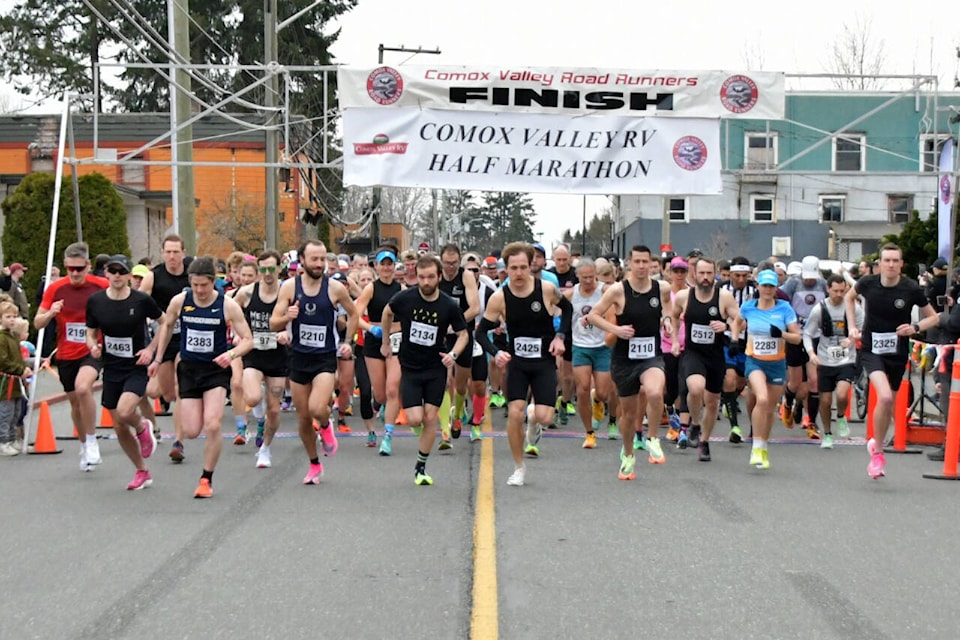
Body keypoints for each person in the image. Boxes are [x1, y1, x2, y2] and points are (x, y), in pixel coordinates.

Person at [151, 256, 254, 498]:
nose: (200, 290)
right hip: (188, 369)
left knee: (213, 423)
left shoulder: (227, 305)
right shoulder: (180, 300)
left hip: (215, 370)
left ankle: (206, 479)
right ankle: (199, 462)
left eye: (204, 285)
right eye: (195, 285)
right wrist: (157, 358)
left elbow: (248, 340)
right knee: (192, 430)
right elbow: (166, 326)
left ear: (213, 282)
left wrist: (231, 354)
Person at [475, 242, 571, 486]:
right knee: (514, 414)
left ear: (531, 266)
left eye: (523, 267)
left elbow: (568, 310)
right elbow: (480, 333)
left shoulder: (547, 289)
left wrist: (560, 338)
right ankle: (519, 467)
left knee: (545, 416)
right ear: (505, 269)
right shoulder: (500, 298)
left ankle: (535, 416)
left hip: (544, 362)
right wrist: (496, 353)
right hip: (516, 362)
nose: (518, 273)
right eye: (513, 268)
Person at [845, 243, 938, 479]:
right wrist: (853, 327)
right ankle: (878, 453)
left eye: (895, 261)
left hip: (897, 351)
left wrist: (915, 327)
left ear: (901, 264)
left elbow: (934, 318)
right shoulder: (867, 284)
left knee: (889, 404)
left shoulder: (910, 288)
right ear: (880, 264)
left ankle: (876, 443)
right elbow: (849, 297)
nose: (891, 265)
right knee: (884, 396)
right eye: (887, 260)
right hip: (871, 348)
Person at [271, 241, 358, 485]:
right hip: (298, 357)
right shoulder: (289, 287)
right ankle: (314, 464)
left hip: (324, 357)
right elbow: (273, 322)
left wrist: (348, 341)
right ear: (302, 260)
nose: (320, 264)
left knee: (317, 407)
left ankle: (325, 424)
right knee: (302, 418)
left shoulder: (334, 288)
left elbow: (353, 313)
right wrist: (286, 317)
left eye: (323, 259)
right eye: (315, 259)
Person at [380, 255, 469, 484]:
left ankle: (421, 467)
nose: (426, 282)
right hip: (410, 367)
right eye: (421, 277)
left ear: (439, 277)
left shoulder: (448, 305)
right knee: (414, 419)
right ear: (416, 277)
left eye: (431, 277)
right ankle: (423, 444)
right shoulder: (405, 298)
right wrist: (386, 341)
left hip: (435, 368)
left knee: (430, 418)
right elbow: (387, 313)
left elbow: (463, 334)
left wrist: (453, 355)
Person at [587, 245, 674, 481]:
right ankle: (627, 455)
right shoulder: (617, 290)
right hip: (624, 359)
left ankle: (653, 438)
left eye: (646, 262)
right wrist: (616, 329)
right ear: (629, 263)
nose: (642, 266)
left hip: (650, 355)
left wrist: (666, 321)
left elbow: (667, 308)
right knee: (628, 413)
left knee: (655, 392)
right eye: (637, 262)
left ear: (651, 264)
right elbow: (593, 315)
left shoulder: (661, 288)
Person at [85, 255, 163, 490]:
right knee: (118, 425)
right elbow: (91, 331)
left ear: (129, 275)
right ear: (106, 274)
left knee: (126, 410)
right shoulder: (96, 301)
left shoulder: (141, 300)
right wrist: (93, 345)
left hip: (136, 366)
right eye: (113, 271)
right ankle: (142, 471)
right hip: (112, 367)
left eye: (122, 272)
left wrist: (151, 350)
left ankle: (142, 427)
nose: (117, 276)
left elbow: (165, 321)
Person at [34, 242, 108, 472]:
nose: (75, 274)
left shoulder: (100, 286)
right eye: (71, 269)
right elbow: (37, 323)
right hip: (66, 353)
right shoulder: (55, 289)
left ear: (88, 265)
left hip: (93, 349)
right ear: (65, 266)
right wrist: (50, 313)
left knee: (84, 388)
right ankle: (85, 445)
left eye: (80, 268)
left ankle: (93, 441)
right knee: (75, 403)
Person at [729, 269, 802, 470]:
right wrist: (735, 339)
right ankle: (755, 446)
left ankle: (763, 446)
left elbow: (797, 337)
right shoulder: (749, 306)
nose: (768, 290)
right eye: (765, 286)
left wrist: (781, 334)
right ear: (758, 287)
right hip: (755, 362)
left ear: (776, 288)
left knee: (769, 408)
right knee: (761, 399)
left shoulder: (785, 308)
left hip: (777, 363)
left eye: (772, 286)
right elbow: (737, 323)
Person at [231, 250, 289, 468]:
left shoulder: (287, 292)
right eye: (263, 269)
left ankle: (265, 449)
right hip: (254, 352)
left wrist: (288, 333)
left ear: (279, 269)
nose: (267, 273)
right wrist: (238, 333)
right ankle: (259, 417)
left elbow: (298, 318)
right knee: (253, 398)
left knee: (274, 409)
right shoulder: (246, 293)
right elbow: (230, 310)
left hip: (277, 356)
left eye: (271, 269)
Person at [140, 234, 190, 462]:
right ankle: (160, 422)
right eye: (168, 252)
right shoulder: (153, 277)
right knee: (167, 393)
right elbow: (138, 304)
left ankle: (178, 442)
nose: (172, 256)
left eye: (176, 252)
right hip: (163, 337)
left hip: (188, 338)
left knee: (181, 388)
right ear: (163, 253)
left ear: (183, 252)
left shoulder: (192, 273)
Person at [803, 274, 863, 448]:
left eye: (842, 290)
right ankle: (827, 433)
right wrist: (811, 353)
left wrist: (852, 339)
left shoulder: (854, 308)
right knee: (826, 400)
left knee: (843, 393)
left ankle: (842, 415)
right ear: (828, 289)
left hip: (847, 358)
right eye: (835, 290)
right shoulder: (819, 309)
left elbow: (864, 328)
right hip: (825, 358)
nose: (838, 294)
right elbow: (807, 334)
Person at [354, 249, 403, 454]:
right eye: (382, 264)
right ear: (376, 267)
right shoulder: (370, 289)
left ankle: (388, 437)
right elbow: (355, 316)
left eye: (389, 264)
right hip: (374, 340)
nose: (386, 268)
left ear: (394, 266)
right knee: (381, 395)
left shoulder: (402, 289)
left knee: (393, 389)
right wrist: (370, 328)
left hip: (397, 340)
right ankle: (384, 407)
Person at [565, 258, 614, 447]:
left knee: (602, 392)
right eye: (584, 277)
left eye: (591, 277)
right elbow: (555, 308)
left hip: (602, 346)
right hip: (580, 346)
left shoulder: (605, 292)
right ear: (577, 276)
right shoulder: (571, 294)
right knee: (583, 388)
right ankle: (589, 433)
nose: (588, 281)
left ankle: (599, 402)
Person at [779, 255, 828, 439]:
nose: (809, 280)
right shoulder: (793, 284)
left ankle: (812, 423)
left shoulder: (822, 284)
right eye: (806, 276)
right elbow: (782, 300)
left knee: (814, 382)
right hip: (795, 337)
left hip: (815, 337)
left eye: (812, 277)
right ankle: (787, 402)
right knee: (795, 383)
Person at [438, 244, 480, 447]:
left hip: (463, 333)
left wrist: (455, 323)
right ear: (441, 261)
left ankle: (458, 413)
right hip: (441, 335)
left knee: (461, 384)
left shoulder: (466, 276)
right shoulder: (436, 276)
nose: (451, 267)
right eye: (447, 263)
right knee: (445, 382)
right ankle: (445, 430)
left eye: (454, 263)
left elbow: (475, 307)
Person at [0, 301, 31, 456]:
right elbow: (3, 361)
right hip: (5, 384)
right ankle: (3, 441)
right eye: (8, 316)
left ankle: (13, 439)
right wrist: (20, 370)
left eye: (14, 316)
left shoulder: (13, 338)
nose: (12, 319)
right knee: (6, 413)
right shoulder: (1, 339)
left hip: (17, 383)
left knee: (16, 413)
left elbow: (18, 358)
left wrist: (27, 366)